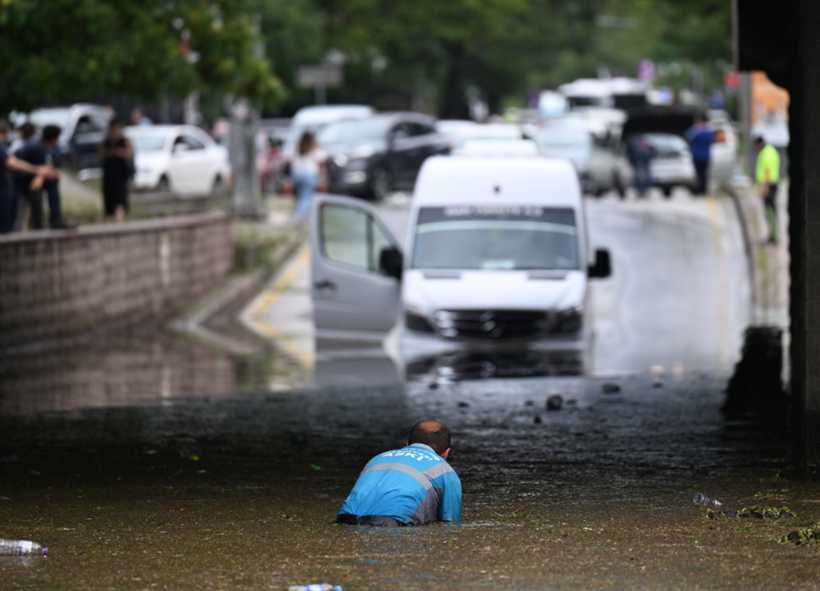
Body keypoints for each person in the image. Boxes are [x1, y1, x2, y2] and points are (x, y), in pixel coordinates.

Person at [337, 421, 462, 527]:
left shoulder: (377, 458)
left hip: (345, 519)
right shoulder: (445, 470)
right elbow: (449, 522)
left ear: (407, 444)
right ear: (446, 453)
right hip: (393, 523)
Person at [0, 120, 55, 233]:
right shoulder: (10, 146)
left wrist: (40, 176)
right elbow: (13, 163)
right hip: (12, 186)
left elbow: (47, 163)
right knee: (9, 221)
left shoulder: (35, 144)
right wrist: (38, 171)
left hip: (20, 184)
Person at [12, 125, 62, 230]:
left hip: (27, 178)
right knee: (46, 184)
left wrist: (42, 176)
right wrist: (41, 175)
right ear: (53, 138)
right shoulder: (37, 147)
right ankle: (53, 219)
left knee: (51, 180)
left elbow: (46, 168)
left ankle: (54, 219)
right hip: (17, 181)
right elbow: (41, 170)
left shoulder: (42, 146)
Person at [99, 118, 134, 223]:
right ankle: (113, 220)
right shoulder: (106, 142)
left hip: (121, 173)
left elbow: (130, 153)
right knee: (110, 199)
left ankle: (118, 220)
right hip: (109, 173)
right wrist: (110, 153)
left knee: (120, 198)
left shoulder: (124, 141)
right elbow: (100, 155)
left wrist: (119, 152)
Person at [290, 131, 326, 221]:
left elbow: (288, 158)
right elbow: (324, 156)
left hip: (296, 174)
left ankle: (300, 214)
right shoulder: (313, 148)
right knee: (306, 196)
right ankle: (300, 216)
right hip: (309, 175)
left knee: (301, 195)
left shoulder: (297, 147)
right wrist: (318, 146)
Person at [684, 116, 724, 196]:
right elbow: (714, 140)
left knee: (699, 174)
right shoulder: (710, 132)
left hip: (697, 156)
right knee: (704, 173)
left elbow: (687, 136)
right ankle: (704, 189)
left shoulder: (696, 131)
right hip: (706, 156)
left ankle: (701, 189)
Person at [755, 135, 781, 245]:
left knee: (770, 212)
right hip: (771, 185)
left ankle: (774, 236)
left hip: (769, 185)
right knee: (770, 211)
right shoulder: (771, 151)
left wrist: (764, 189)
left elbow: (768, 173)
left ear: (760, 144)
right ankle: (772, 234)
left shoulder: (766, 154)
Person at [626, 134, 655, 198]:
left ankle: (641, 190)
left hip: (639, 159)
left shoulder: (634, 138)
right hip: (642, 159)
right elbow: (653, 149)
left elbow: (629, 150)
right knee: (644, 175)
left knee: (639, 175)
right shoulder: (646, 138)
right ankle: (643, 190)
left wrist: (631, 160)